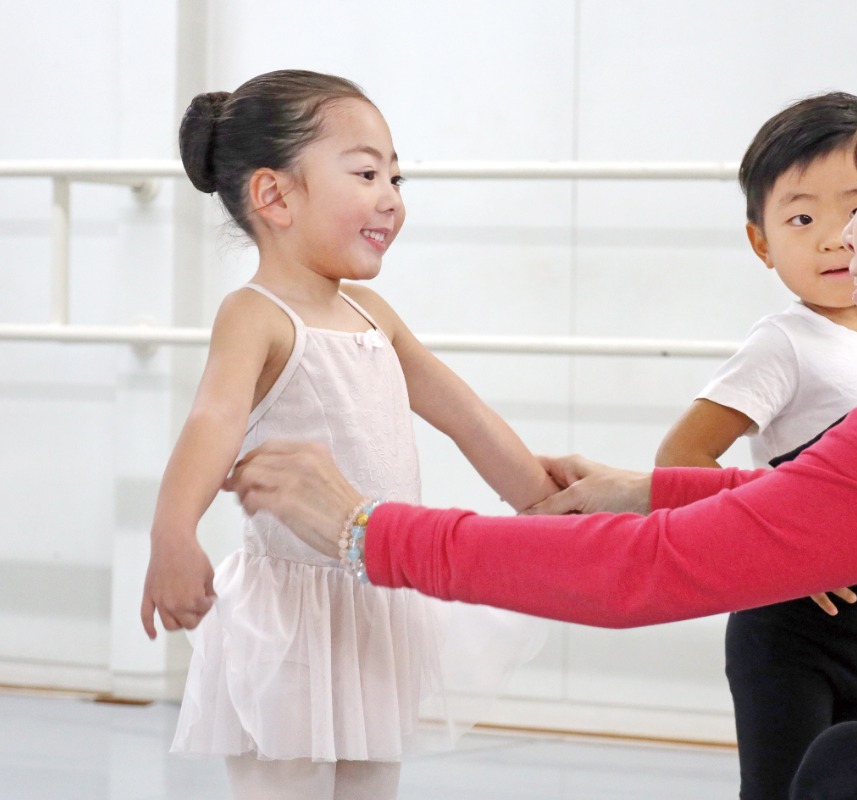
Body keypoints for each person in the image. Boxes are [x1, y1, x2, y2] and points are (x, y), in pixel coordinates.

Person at [222, 62, 857, 799]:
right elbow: (829, 498)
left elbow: (648, 570)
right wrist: (644, 484)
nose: (848, 236)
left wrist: (364, 529)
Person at [139, 69, 559, 800]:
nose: (391, 197)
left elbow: (462, 412)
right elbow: (211, 422)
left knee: (372, 785)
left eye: (395, 175)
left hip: (378, 599)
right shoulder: (256, 315)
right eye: (365, 172)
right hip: (292, 618)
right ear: (275, 196)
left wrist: (545, 502)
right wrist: (172, 534)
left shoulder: (375, 314)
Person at [655, 92, 857, 800]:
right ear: (761, 242)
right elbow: (680, 459)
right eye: (802, 218)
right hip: (788, 628)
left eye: (855, 208)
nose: (834, 237)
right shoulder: (784, 343)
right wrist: (783, 547)